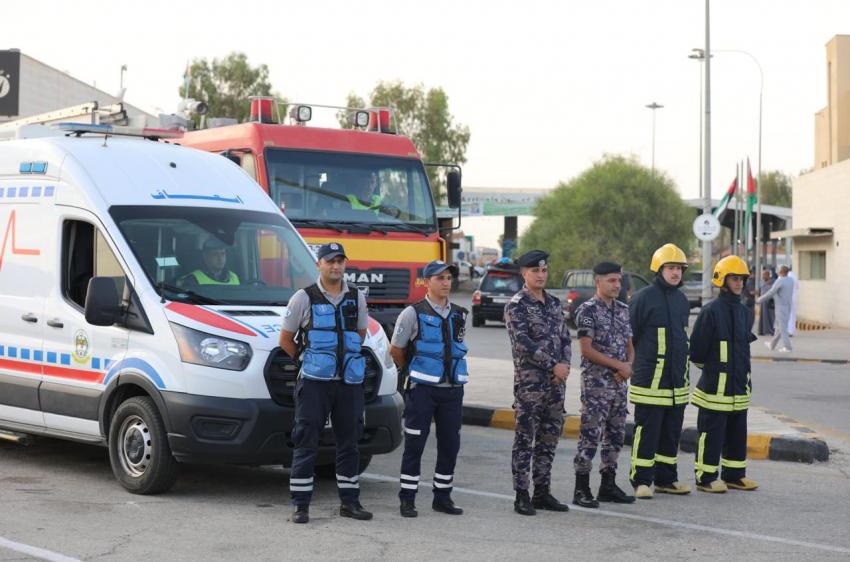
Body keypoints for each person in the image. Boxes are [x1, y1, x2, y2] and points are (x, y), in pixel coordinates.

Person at [279, 242, 372, 524]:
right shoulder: (303, 298)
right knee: (306, 441)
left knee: (349, 443)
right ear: (319, 264)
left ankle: (350, 502)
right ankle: (301, 505)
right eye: (330, 261)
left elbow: (360, 334)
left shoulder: (357, 297)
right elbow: (286, 339)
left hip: (348, 383)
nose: (336, 266)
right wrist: (310, 361)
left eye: (340, 261)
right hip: (314, 384)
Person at [391, 260, 468, 518]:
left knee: (450, 445)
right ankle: (407, 498)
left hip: (453, 390)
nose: (445, 282)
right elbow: (396, 350)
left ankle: (442, 497)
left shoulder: (459, 313)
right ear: (427, 282)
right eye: (440, 278)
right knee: (415, 444)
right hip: (422, 390)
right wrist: (414, 372)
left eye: (448, 278)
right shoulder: (412, 313)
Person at [504, 250, 572, 516]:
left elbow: (566, 338)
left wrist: (564, 366)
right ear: (524, 273)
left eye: (544, 270)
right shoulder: (516, 305)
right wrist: (552, 365)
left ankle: (542, 492)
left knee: (549, 439)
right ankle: (522, 495)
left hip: (556, 384)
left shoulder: (554, 303)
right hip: (530, 385)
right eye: (535, 271)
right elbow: (522, 343)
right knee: (525, 440)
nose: (541, 275)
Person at [628, 244, 692, 499]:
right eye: (671, 268)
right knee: (647, 432)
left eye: (679, 268)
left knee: (671, 433)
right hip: (650, 382)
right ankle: (641, 481)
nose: (676, 273)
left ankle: (667, 479)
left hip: (677, 382)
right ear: (659, 269)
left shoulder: (682, 300)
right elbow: (629, 337)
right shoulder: (643, 298)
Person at [690, 255, 759, 493]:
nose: (739, 283)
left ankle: (734, 475)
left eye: (741, 279)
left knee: (737, 434)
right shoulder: (710, 311)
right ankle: (706, 476)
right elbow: (697, 352)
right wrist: (716, 372)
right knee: (712, 435)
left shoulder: (744, 312)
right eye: (734, 278)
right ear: (722, 280)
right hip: (714, 390)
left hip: (738, 388)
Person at [572, 261, 636, 507]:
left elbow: (630, 345)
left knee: (616, 435)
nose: (616, 285)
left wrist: (628, 366)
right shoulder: (587, 310)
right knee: (591, 435)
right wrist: (618, 366)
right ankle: (581, 488)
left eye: (618, 280)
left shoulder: (622, 309)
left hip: (620, 384)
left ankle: (608, 485)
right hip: (597, 385)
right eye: (611, 280)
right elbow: (587, 350)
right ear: (597, 281)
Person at [757, 265, 794, 352]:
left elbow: (771, 292)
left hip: (780, 307)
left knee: (782, 328)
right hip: (788, 306)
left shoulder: (780, 281)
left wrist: (760, 299)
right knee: (778, 328)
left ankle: (787, 347)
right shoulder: (790, 280)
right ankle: (772, 344)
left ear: (781, 272)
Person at [757, 269, 775, 336]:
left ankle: (772, 331)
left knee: (770, 317)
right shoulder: (762, 282)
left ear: (768, 275)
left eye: (764, 275)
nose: (763, 276)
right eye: (762, 275)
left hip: (770, 303)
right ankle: (762, 331)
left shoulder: (773, 282)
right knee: (762, 317)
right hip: (762, 303)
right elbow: (760, 290)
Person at [787, 267, 799, 336]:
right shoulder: (794, 276)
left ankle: (787, 330)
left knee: (786, 315)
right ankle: (791, 331)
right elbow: (797, 286)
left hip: (786, 298)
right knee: (792, 314)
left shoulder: (783, 276)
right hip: (794, 297)